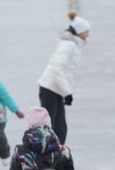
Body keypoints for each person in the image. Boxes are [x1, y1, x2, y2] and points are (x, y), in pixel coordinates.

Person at [35, 11, 89, 144]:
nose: (88, 34)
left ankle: (58, 154)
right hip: (50, 88)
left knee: (60, 127)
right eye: (87, 30)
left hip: (56, 89)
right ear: (80, 31)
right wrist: (68, 93)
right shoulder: (67, 45)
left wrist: (65, 92)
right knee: (51, 126)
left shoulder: (72, 44)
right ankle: (49, 155)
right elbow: (56, 70)